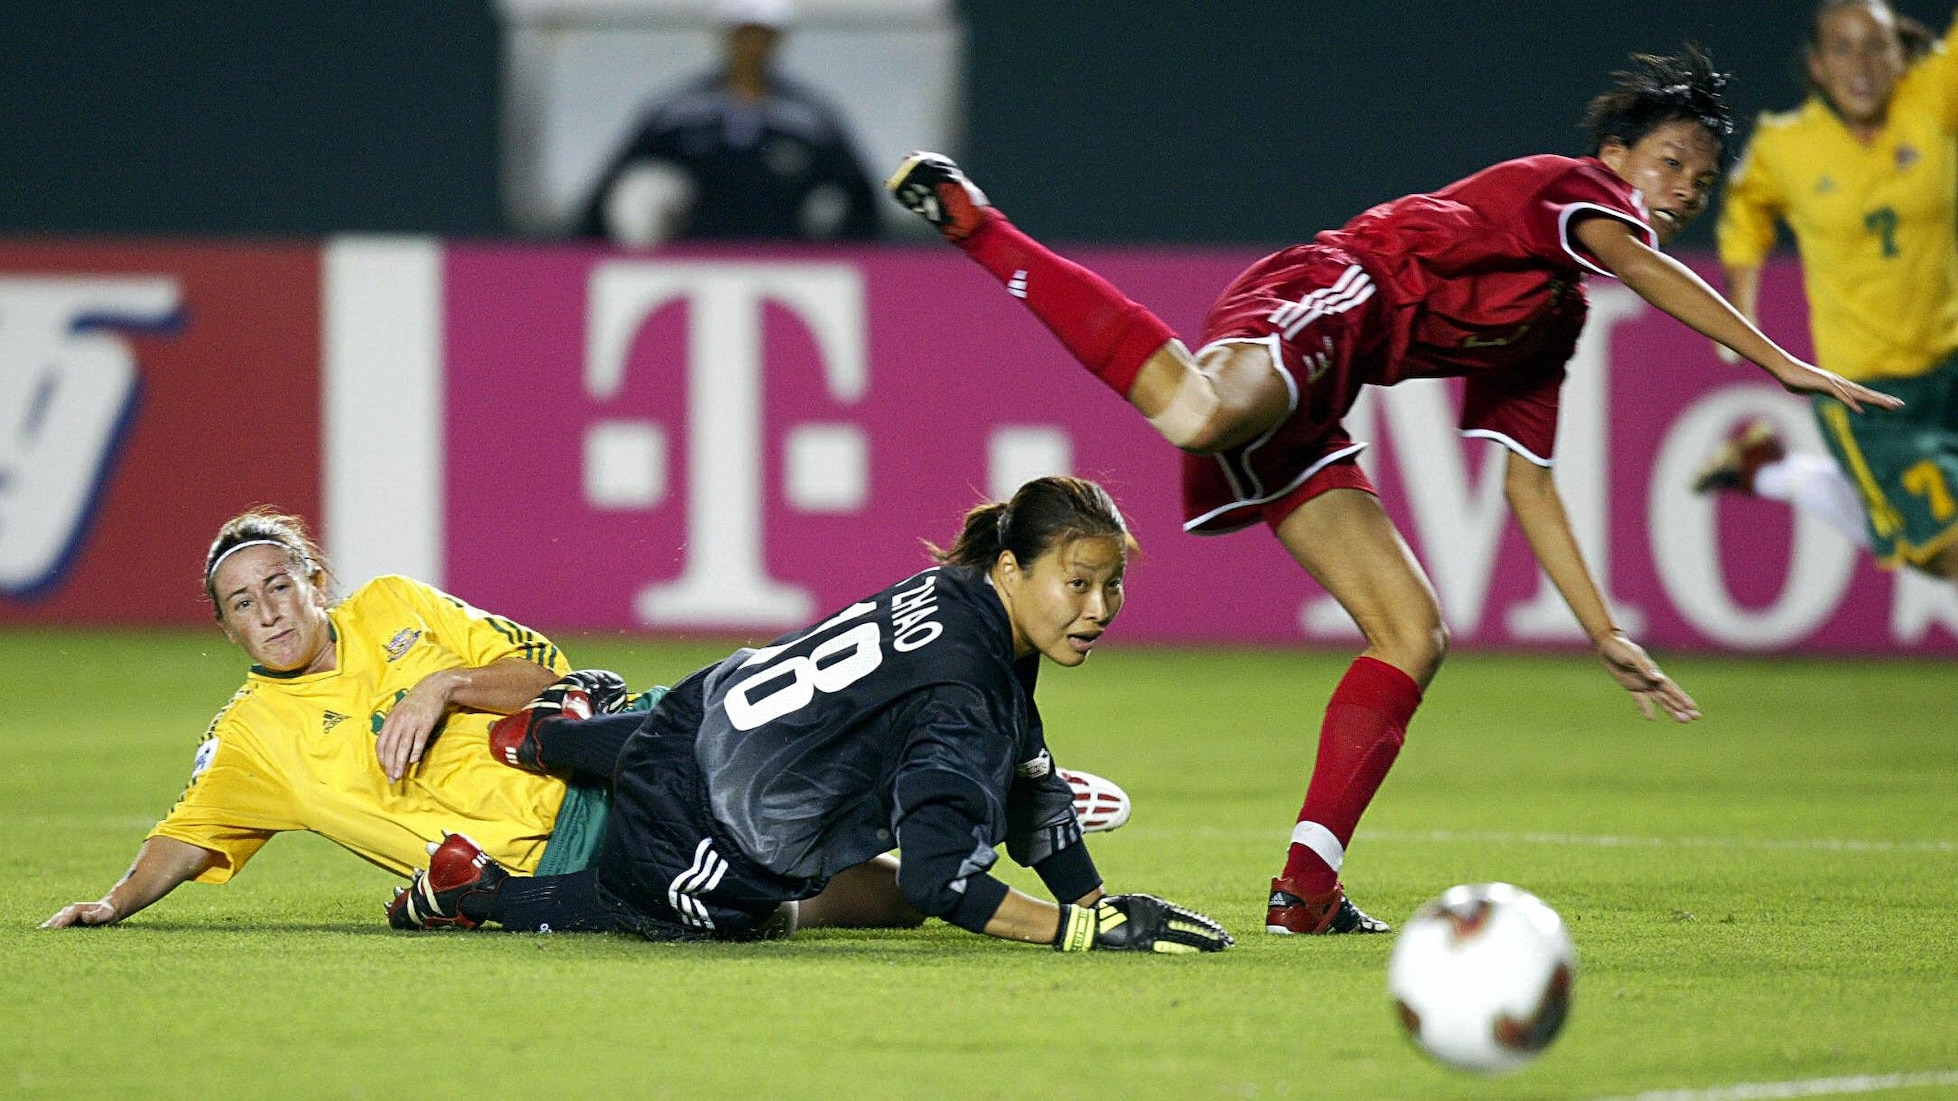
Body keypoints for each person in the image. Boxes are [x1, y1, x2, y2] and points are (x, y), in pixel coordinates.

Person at [884, 47, 1902, 936]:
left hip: (1318, 399)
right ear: (1618, 158)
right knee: (1196, 414)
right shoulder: (1566, 191)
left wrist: (1601, 632)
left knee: (1413, 630)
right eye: (1669, 161)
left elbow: (1527, 486)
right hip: (1322, 294)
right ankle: (981, 228)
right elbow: (1636, 261)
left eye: (1701, 177)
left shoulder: (1546, 321)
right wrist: (1777, 361)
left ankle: (1305, 889)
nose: (1682, 188)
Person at [42, 507, 1131, 930]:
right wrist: (112, 900)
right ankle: (976, 800)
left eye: (280, 585)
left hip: (601, 751)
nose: (268, 611)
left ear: (316, 579)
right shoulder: (249, 742)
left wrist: (443, 685)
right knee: (823, 896)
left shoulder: (397, 611)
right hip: (567, 831)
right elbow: (186, 837)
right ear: (226, 630)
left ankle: (975, 797)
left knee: (778, 775)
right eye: (244, 604)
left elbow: (548, 669)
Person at [385, 477, 1235, 954]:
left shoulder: (960, 595)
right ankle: (481, 894)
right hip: (700, 834)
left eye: (1111, 582)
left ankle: (551, 736)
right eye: (1078, 581)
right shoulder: (966, 695)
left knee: (726, 740)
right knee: (705, 912)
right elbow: (941, 882)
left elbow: (1031, 784)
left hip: (687, 712)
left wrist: (1095, 895)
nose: (1099, 605)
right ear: (1013, 569)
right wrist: (1080, 930)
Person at [1705, 0, 1958, 580]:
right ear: (1817, 66)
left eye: (1876, 45)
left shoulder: (1935, 98)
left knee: (1922, 543)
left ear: (1903, 57)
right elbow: (1746, 210)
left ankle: (1773, 472)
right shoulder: (1784, 146)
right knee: (1944, 553)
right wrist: (1738, 313)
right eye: (1843, 48)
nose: (1861, 64)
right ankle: (1779, 475)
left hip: (1953, 370)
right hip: (1870, 398)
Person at [576, 0, 883, 246]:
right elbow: (610, 191)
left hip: (785, 263)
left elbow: (861, 198)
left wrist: (832, 251)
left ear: (778, 39)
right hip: (690, 262)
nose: (752, 46)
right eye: (743, 33)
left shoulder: (808, 119)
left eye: (762, 34)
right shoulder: (678, 113)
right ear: (725, 36)